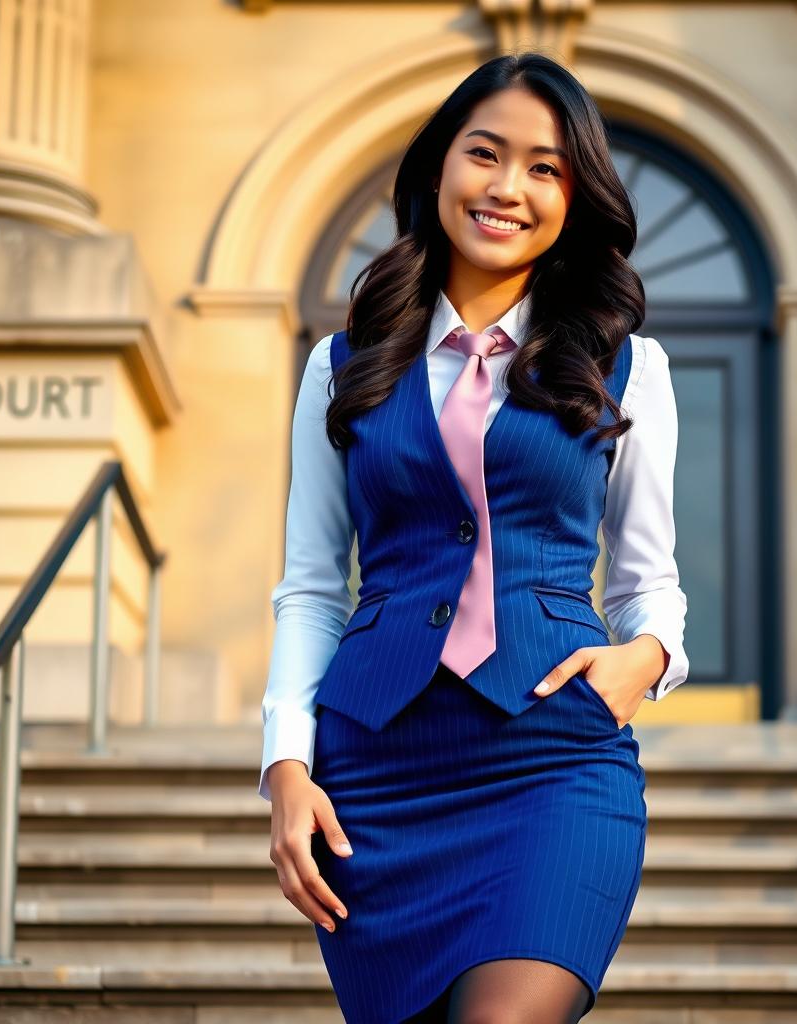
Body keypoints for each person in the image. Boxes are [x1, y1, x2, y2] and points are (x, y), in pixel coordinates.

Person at [258, 51, 689, 1024]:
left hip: (554, 761)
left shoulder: (630, 367)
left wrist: (647, 659)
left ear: (575, 197)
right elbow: (313, 586)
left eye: (544, 168)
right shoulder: (341, 368)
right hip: (377, 776)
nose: (507, 187)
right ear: (438, 169)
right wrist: (285, 764)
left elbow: (646, 579)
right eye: (484, 153)